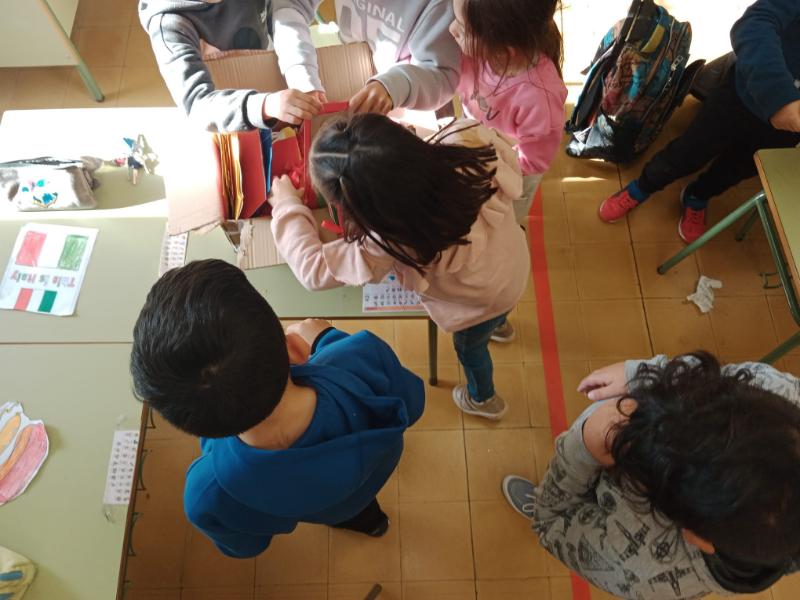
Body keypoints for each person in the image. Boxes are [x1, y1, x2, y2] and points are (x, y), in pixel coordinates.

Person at [130, 259, 424, 557]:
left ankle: (369, 524)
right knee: (360, 502)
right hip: (373, 473)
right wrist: (327, 338)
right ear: (291, 347)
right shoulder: (360, 357)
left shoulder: (207, 492)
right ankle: (373, 521)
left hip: (322, 509)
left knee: (345, 511)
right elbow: (413, 403)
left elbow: (247, 545)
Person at [268, 115, 529, 420]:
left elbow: (312, 270)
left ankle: (483, 398)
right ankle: (499, 325)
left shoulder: (393, 238)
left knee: (471, 350)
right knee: (498, 311)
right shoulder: (467, 138)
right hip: (514, 268)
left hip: (478, 305)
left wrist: (287, 205)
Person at [503, 352, 800, 599]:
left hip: (589, 501)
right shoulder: (777, 389)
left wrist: (583, 443)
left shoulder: (639, 568)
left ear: (698, 539)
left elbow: (549, 522)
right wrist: (640, 374)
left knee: (563, 509)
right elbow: (722, 378)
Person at [598, 0, 800, 243]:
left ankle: (697, 195)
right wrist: (779, 96)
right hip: (743, 95)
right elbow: (754, 24)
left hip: (787, 131)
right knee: (689, 151)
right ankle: (643, 186)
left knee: (739, 169)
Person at [449, 0, 567, 223]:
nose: (451, 29)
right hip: (481, 144)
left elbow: (533, 161)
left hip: (512, 171)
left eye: (462, 29)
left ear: (503, 51)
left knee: (507, 217)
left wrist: (491, 170)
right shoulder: (478, 46)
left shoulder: (539, 98)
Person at [139, 0, 323, 132]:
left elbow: (285, 8)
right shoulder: (169, 25)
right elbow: (197, 106)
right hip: (228, 104)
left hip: (263, 62)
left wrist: (301, 74)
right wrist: (264, 106)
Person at [271, 0, 461, 114]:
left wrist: (396, 86)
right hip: (361, 60)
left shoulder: (441, 6)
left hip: (414, 95)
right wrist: (302, 77)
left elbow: (441, 73)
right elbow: (290, 7)